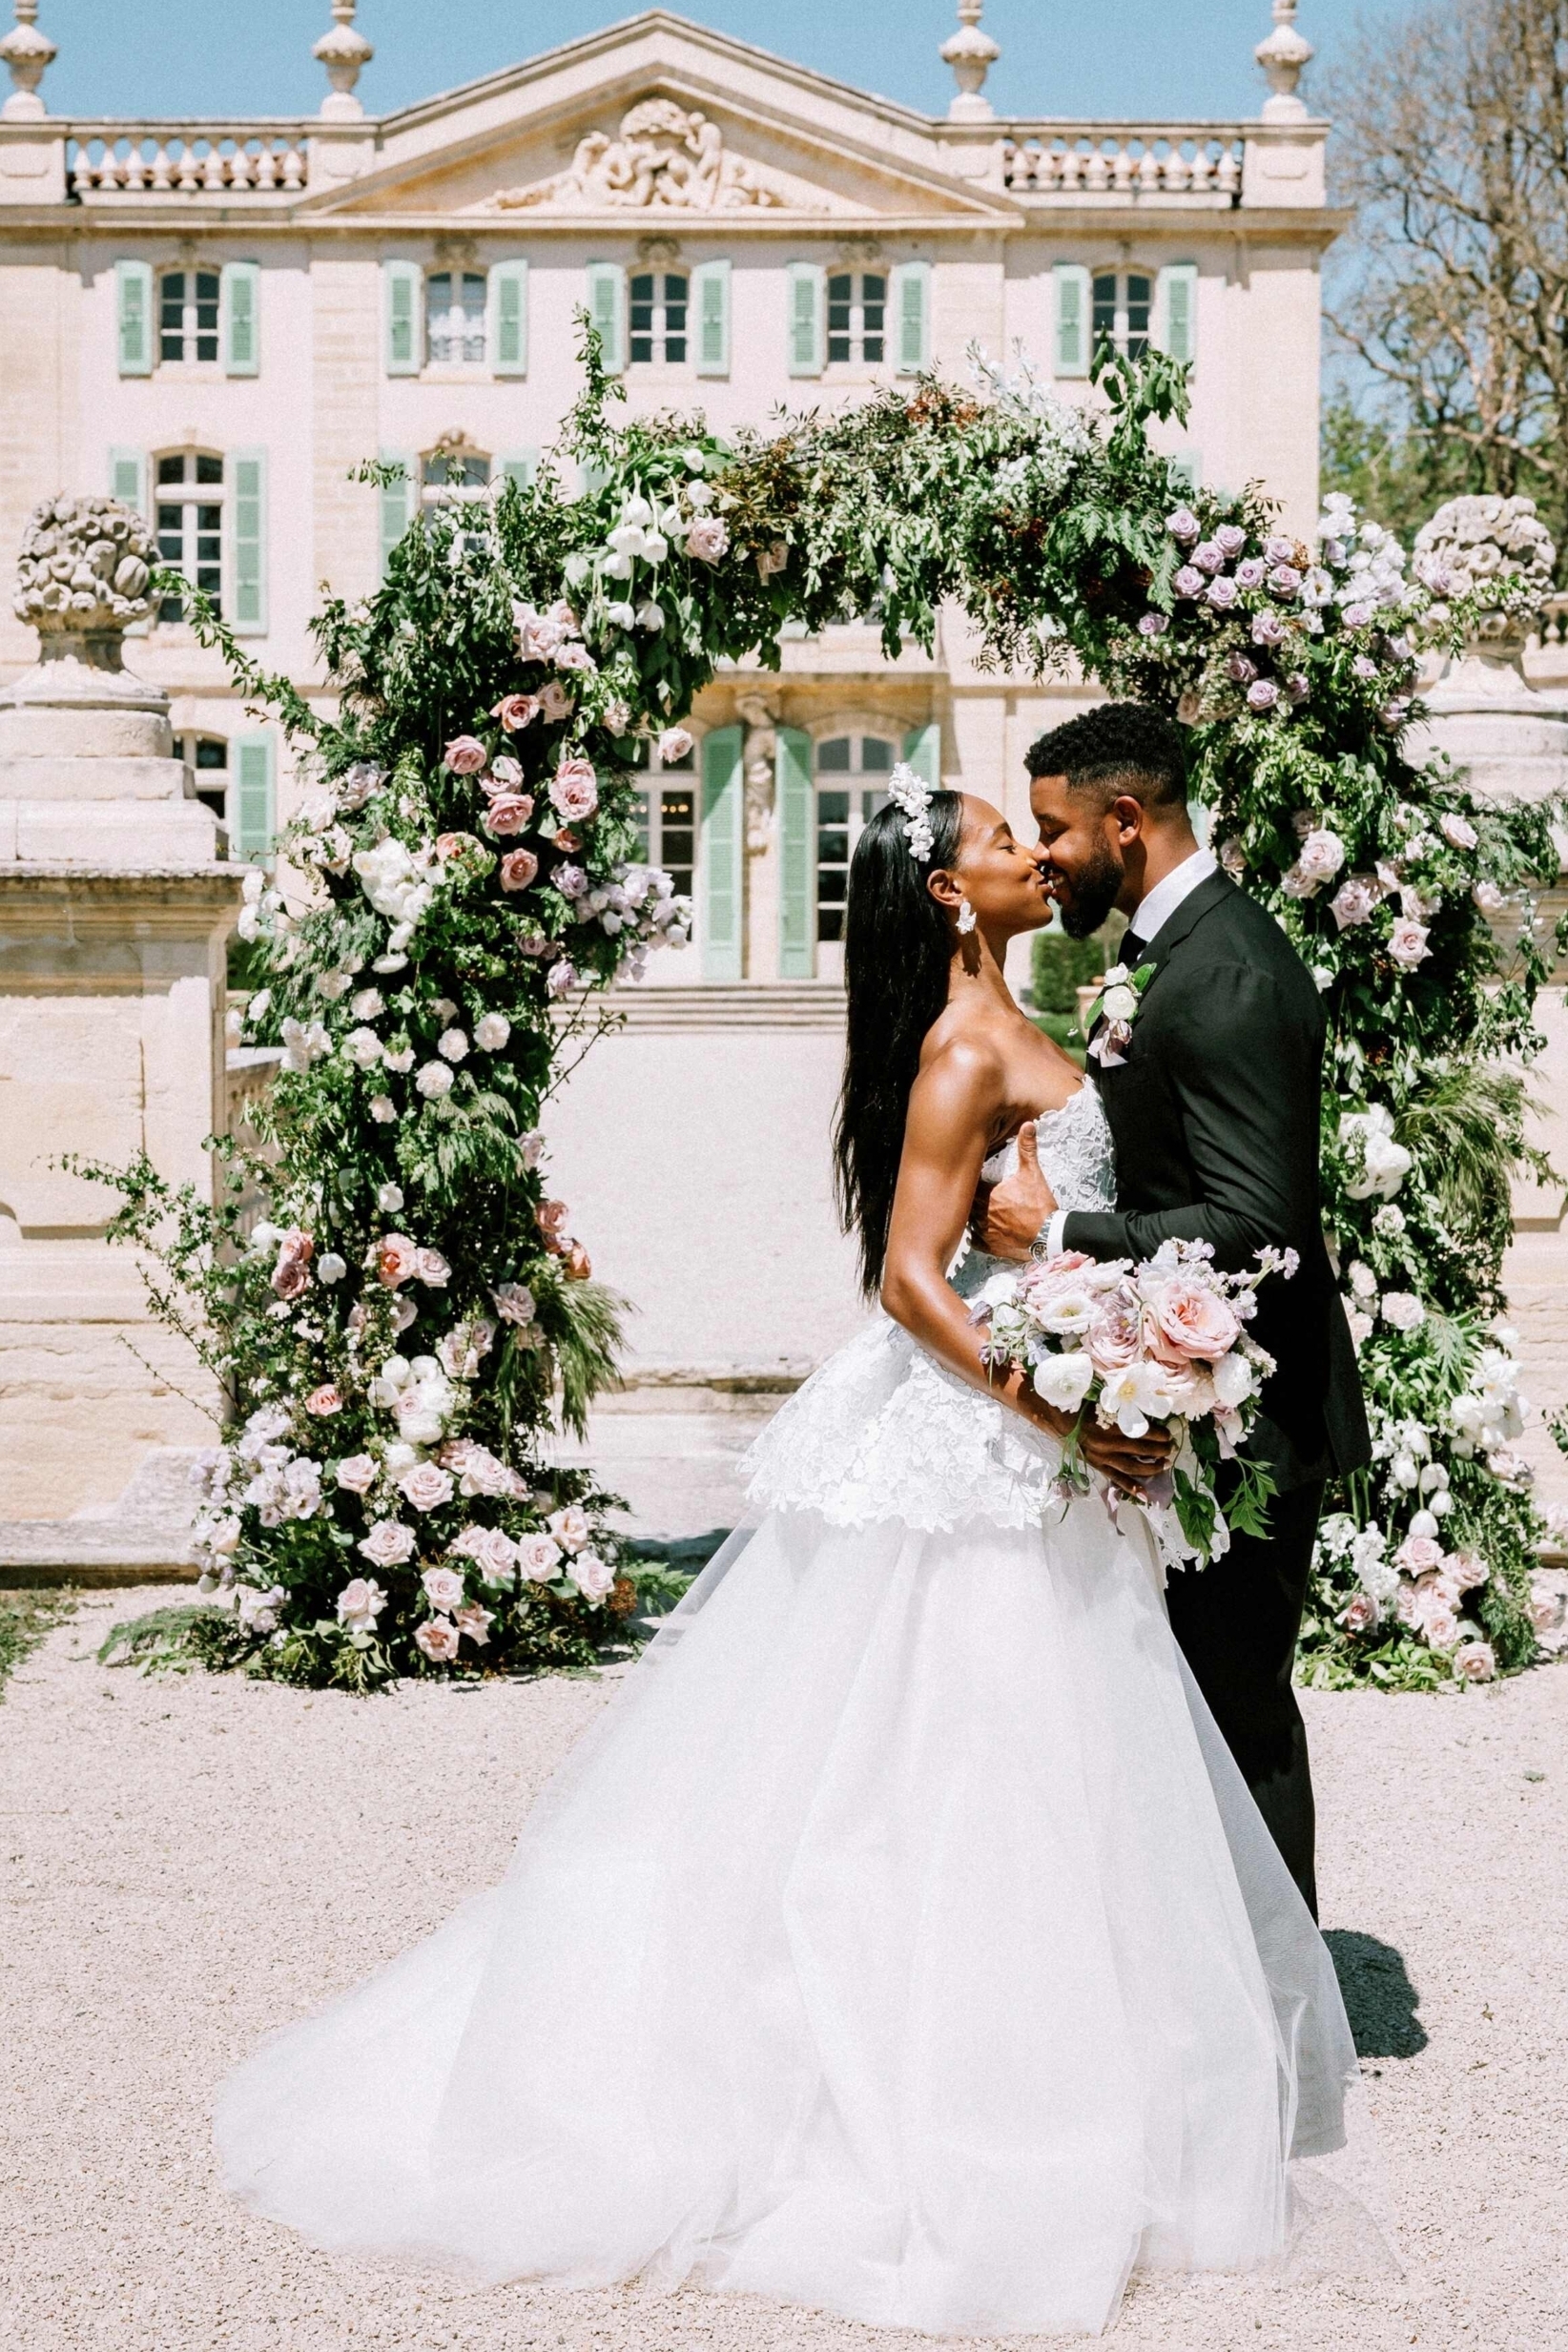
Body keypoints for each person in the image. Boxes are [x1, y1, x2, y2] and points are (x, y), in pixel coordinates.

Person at [215, 772, 1366, 2340]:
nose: (1033, 854)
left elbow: (1048, 1226)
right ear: (952, 895)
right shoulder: (961, 1046)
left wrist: (1117, 1338)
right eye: (996, 843)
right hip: (979, 1446)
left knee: (1062, 1764)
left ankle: (1063, 2064)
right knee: (955, 1759)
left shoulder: (1027, 1020)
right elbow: (907, 1276)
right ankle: (935, 2101)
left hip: (1038, 1442)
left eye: (1031, 833)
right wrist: (1060, 1407)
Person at [976, 703, 1372, 1918]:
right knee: (1189, 1703)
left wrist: (1057, 1234)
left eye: (1055, 831)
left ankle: (1281, 2013)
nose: (1043, 856)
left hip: (1253, 1419)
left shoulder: (1230, 972)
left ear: (1126, 822)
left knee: (1239, 1709)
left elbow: (1260, 1224)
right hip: (1187, 1400)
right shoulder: (1170, 953)